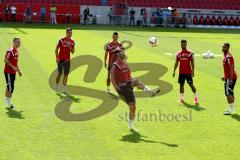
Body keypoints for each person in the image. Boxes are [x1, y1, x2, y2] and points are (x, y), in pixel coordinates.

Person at [110, 51, 160, 131]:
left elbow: (129, 75)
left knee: (133, 107)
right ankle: (150, 92)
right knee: (136, 84)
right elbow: (111, 77)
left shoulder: (125, 64)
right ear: (118, 55)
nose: (123, 53)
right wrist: (115, 86)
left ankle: (131, 125)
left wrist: (131, 81)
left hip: (127, 85)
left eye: (124, 52)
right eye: (122, 52)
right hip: (122, 87)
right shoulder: (115, 65)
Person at [173, 40, 199, 105]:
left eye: (184, 44)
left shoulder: (190, 53)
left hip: (188, 72)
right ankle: (181, 98)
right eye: (182, 44)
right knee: (181, 85)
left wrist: (193, 71)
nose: (183, 45)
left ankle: (196, 98)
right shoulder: (178, 54)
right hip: (181, 72)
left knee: (191, 85)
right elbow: (176, 62)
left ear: (186, 44)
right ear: (180, 45)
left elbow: (192, 62)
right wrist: (174, 71)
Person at [4, 38, 22, 110]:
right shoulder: (10, 51)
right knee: (11, 87)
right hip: (8, 71)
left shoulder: (16, 51)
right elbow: (6, 60)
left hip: (13, 72)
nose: (19, 43)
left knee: (9, 86)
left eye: (19, 42)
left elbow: (15, 63)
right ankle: (8, 102)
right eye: (18, 42)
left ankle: (7, 101)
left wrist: (19, 71)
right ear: (14, 42)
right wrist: (13, 67)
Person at [55, 28, 75, 93]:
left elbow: (72, 52)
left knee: (66, 75)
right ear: (66, 33)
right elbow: (56, 49)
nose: (70, 34)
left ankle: (64, 88)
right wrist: (57, 58)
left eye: (71, 33)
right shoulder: (61, 40)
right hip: (60, 59)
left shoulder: (72, 42)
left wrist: (69, 46)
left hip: (67, 60)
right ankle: (56, 86)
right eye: (69, 33)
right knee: (60, 73)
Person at [221, 43, 237, 115]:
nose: (223, 48)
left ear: (228, 48)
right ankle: (231, 109)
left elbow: (231, 68)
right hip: (230, 77)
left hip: (231, 78)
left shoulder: (228, 57)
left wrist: (230, 79)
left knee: (227, 93)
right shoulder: (225, 56)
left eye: (224, 47)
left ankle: (231, 110)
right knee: (231, 92)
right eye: (222, 47)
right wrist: (225, 76)